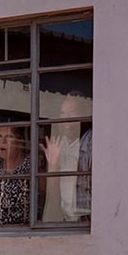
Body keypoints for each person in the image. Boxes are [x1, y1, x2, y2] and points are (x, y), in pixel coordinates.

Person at [41, 93, 92, 223]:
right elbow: (52, 193)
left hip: (86, 221)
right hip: (65, 220)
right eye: (62, 113)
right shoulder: (59, 144)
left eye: (71, 112)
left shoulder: (90, 142)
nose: (66, 118)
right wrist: (52, 165)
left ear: (83, 114)